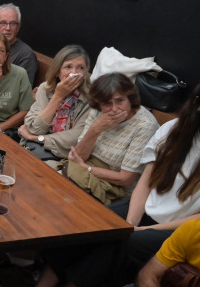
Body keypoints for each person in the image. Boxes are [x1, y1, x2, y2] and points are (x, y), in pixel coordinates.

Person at [117, 73, 200, 271]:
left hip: (183, 230)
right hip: (143, 210)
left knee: (121, 241)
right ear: (199, 103)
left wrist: (142, 231)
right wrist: (131, 222)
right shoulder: (174, 128)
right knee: (94, 227)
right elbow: (147, 179)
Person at [62, 72, 159, 205]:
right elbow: (78, 156)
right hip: (84, 169)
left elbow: (126, 179)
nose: (114, 109)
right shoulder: (97, 112)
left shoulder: (145, 125)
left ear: (130, 98)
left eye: (120, 101)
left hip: (115, 189)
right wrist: (95, 129)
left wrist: (85, 168)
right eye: (107, 103)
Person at [17, 44, 93, 159]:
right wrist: (58, 96)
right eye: (68, 67)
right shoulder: (45, 89)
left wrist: (35, 138)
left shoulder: (91, 100)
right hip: (32, 147)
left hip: (60, 156)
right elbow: (35, 128)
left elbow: (76, 138)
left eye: (80, 68)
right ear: (58, 72)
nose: (74, 73)